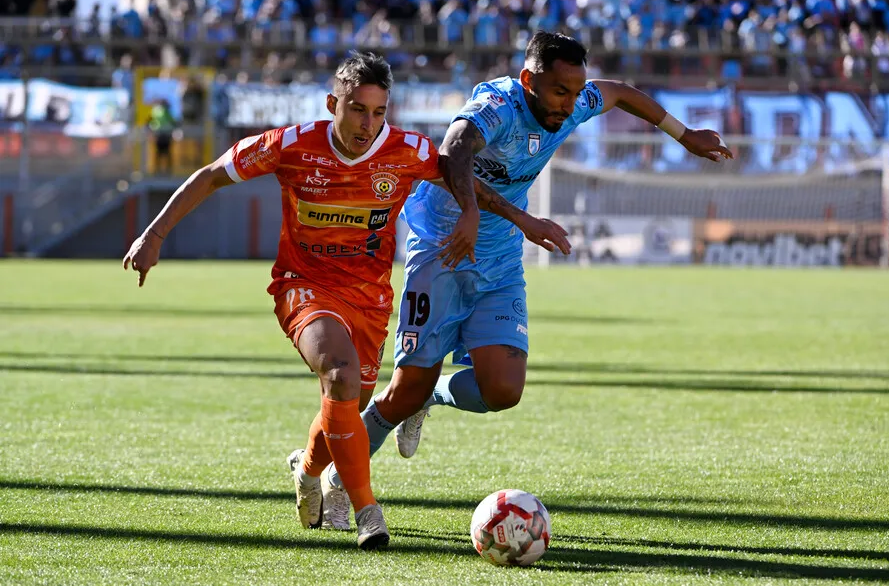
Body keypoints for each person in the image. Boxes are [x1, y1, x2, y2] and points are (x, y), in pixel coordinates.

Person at [123, 51, 570, 549]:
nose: (368, 123)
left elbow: (463, 177)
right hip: (304, 284)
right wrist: (154, 235)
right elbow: (210, 175)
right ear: (333, 102)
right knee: (337, 374)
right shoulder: (290, 145)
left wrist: (519, 219)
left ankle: (309, 470)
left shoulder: (406, 150)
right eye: (358, 109)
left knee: (348, 404)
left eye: (379, 112)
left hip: (370, 297)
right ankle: (366, 510)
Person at [321, 31, 733, 517]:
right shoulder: (497, 105)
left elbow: (620, 92)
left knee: (502, 391)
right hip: (443, 250)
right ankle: (340, 478)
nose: (571, 103)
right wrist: (481, 215)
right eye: (560, 91)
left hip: (498, 260)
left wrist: (685, 136)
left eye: (577, 92)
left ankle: (430, 396)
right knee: (401, 389)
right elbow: (453, 150)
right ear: (528, 81)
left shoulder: (574, 103)